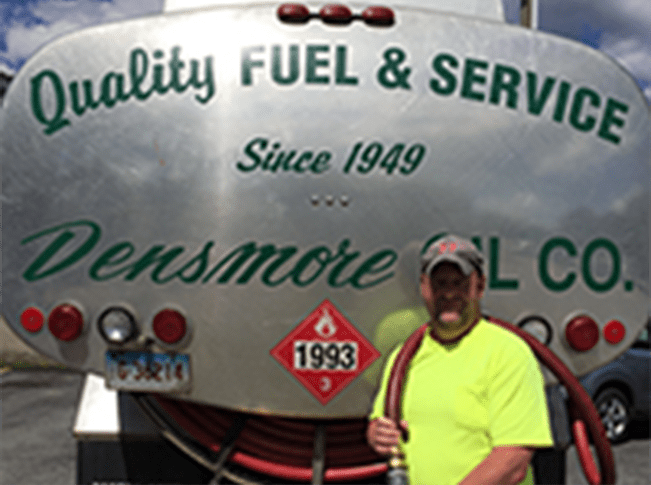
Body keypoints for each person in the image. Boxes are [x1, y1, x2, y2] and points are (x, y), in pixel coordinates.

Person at [367, 235, 553, 485]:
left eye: (460, 284)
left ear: (480, 286)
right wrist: (376, 434)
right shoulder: (404, 356)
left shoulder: (508, 353)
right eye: (439, 283)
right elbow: (379, 422)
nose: (449, 293)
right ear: (424, 287)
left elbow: (512, 462)